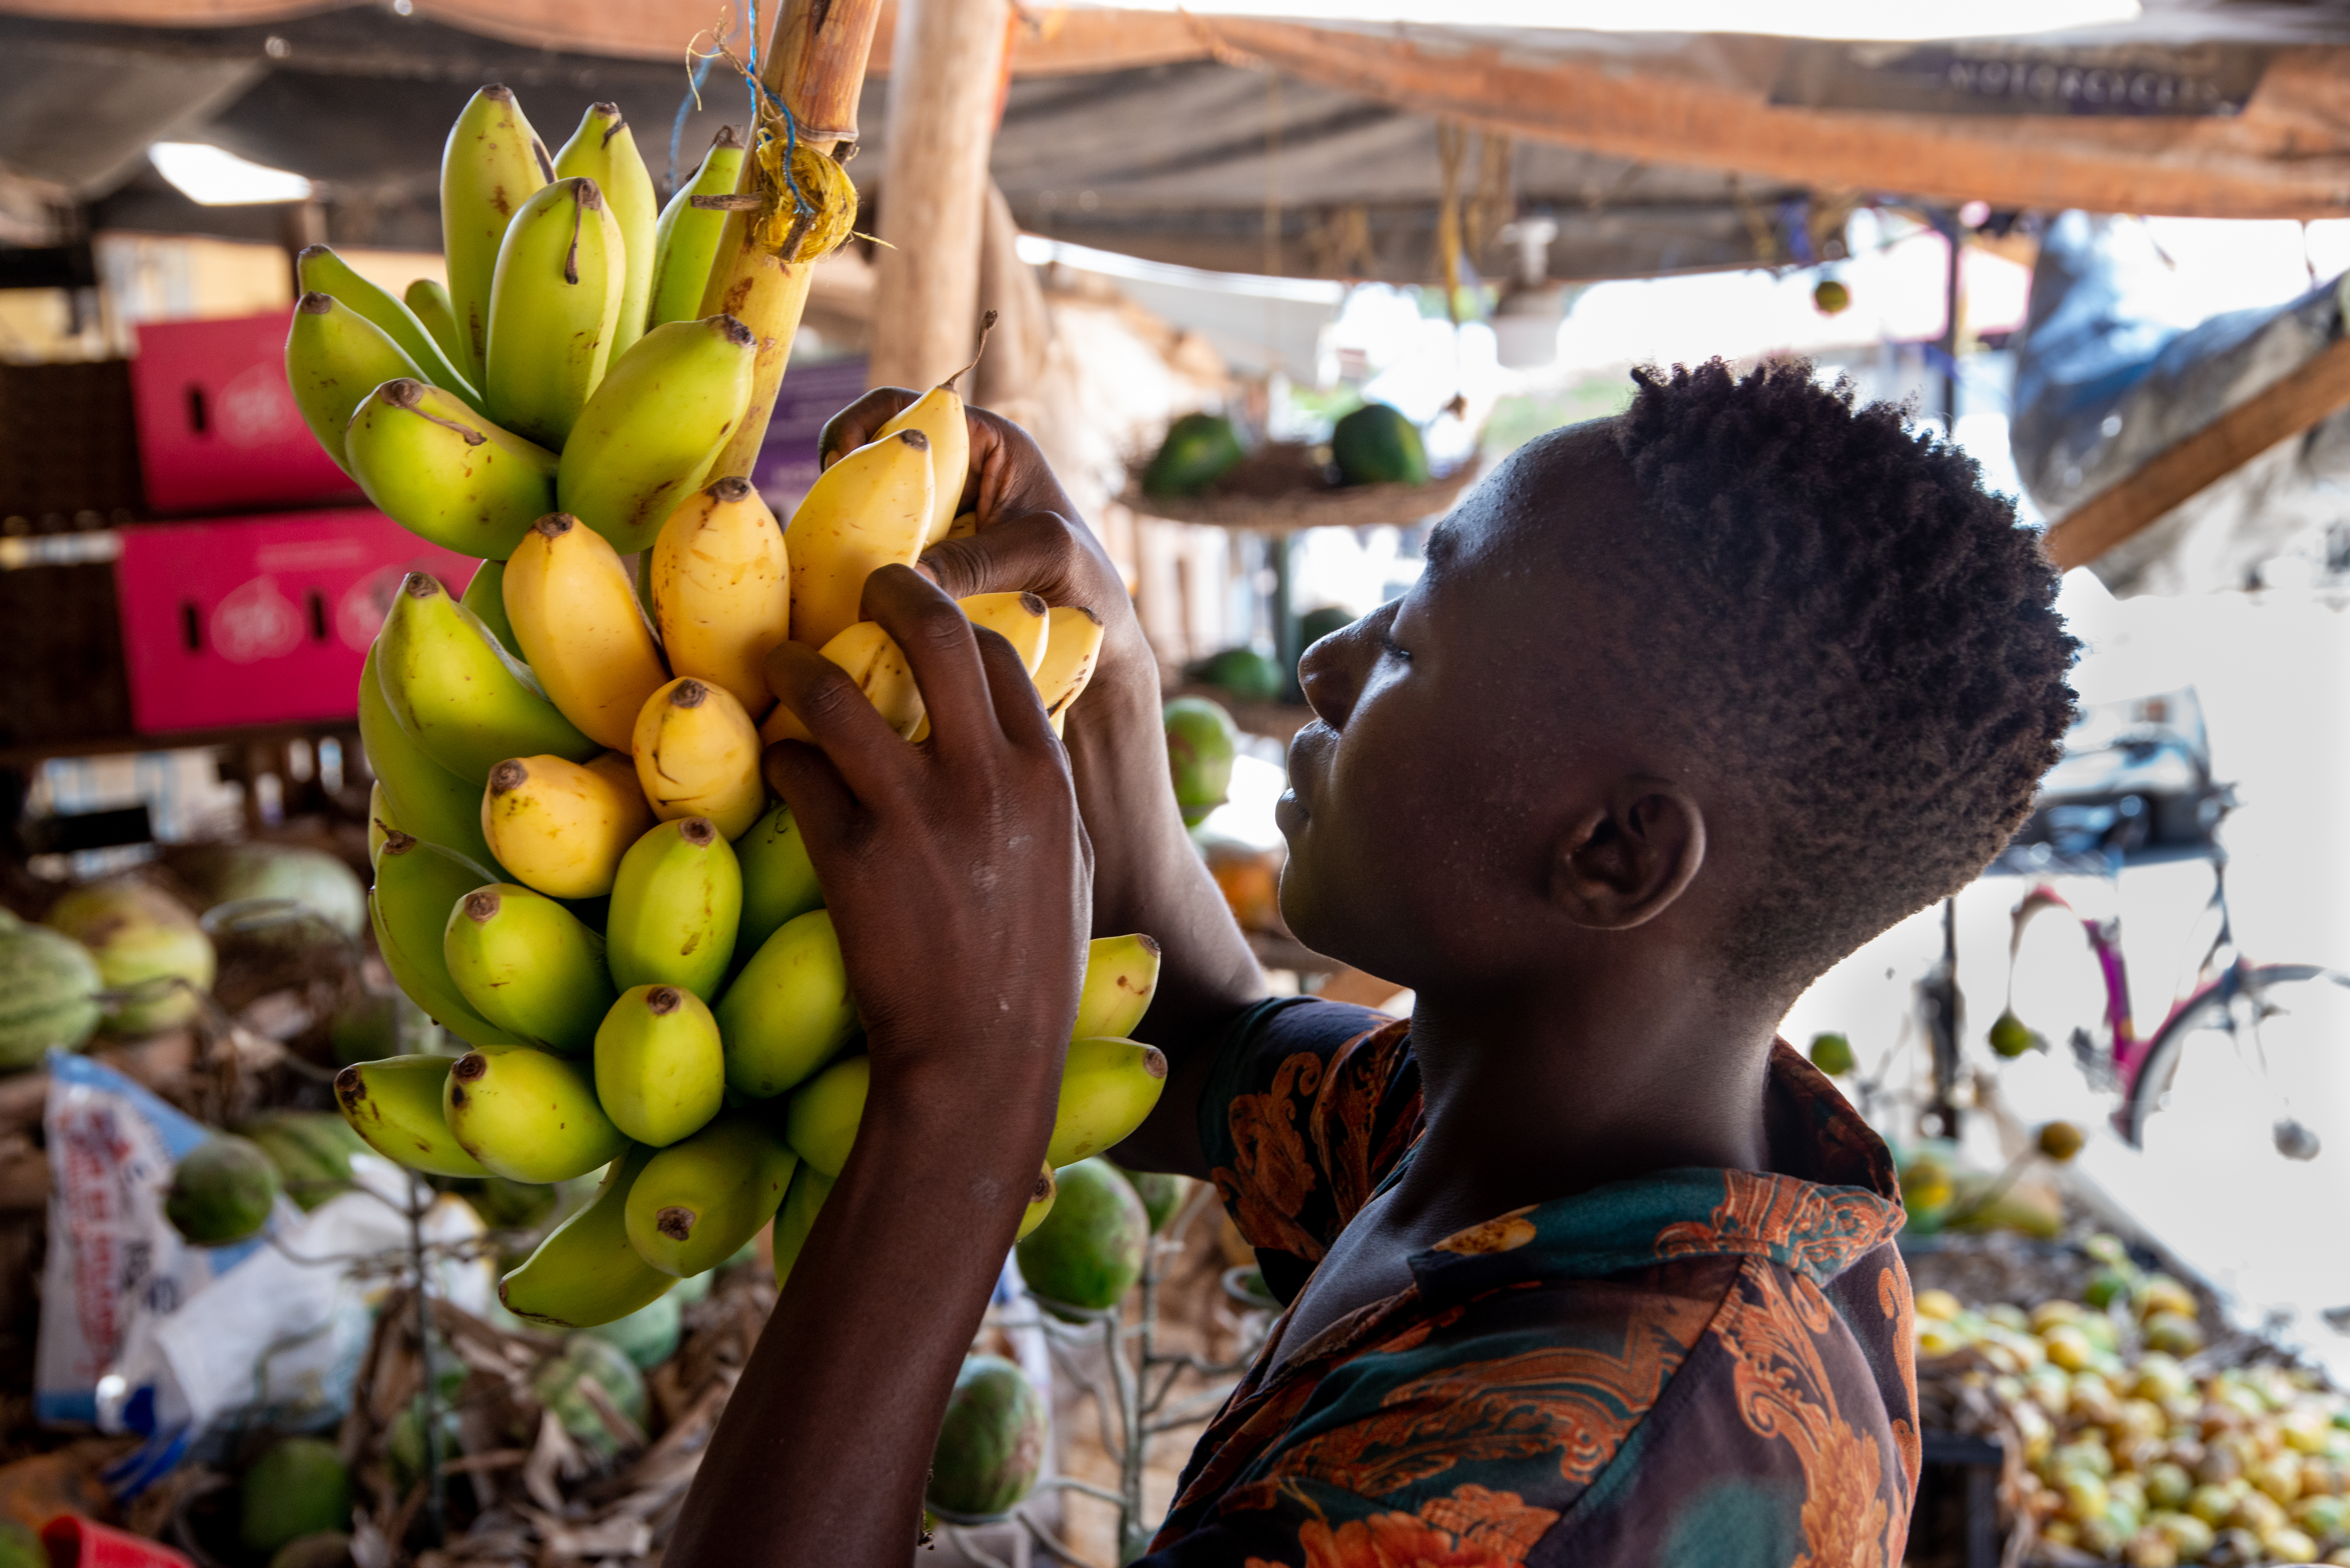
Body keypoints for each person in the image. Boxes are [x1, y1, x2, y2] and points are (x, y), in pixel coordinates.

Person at [665, 358, 2079, 1567]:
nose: (1328, 667)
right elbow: (1208, 1055)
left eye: (1407, 642)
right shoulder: (1552, 1147)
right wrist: (1112, 691)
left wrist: (958, 1099)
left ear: (1613, 852)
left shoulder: (1547, 1491)